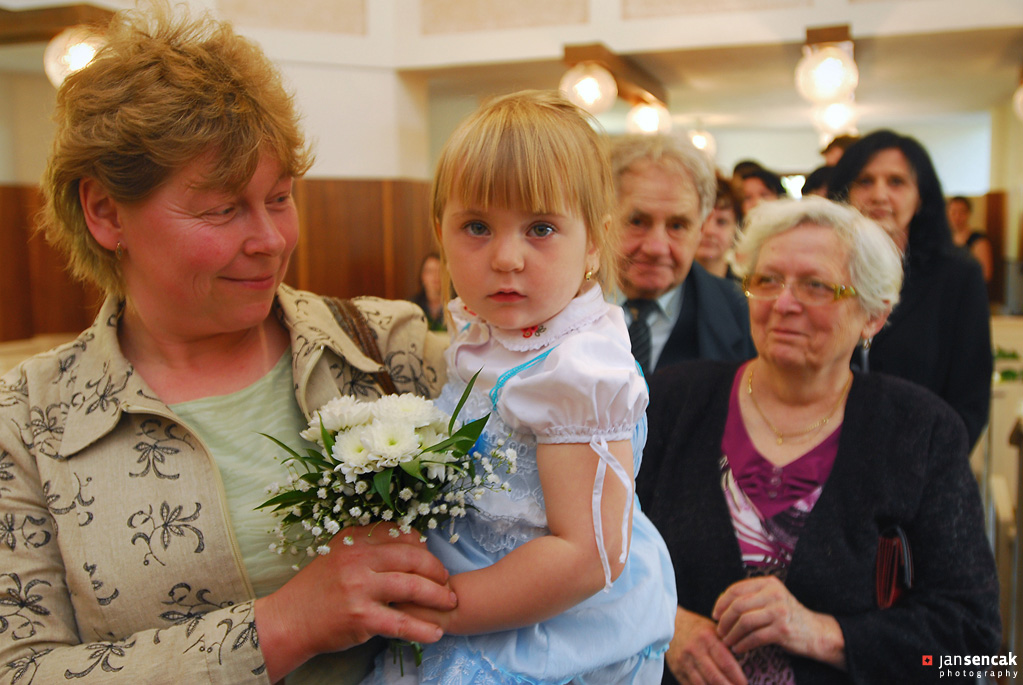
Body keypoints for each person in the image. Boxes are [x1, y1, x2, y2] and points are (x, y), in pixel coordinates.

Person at [0, 5, 457, 684]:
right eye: (222, 209)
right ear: (104, 211)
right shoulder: (28, 422)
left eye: (280, 198)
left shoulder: (385, 346)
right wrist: (283, 625)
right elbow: (21, 668)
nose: (270, 240)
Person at [364, 90, 676, 684]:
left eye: (541, 228)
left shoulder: (579, 369)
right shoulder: (491, 332)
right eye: (477, 227)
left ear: (594, 242)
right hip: (483, 587)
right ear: (440, 233)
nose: (507, 257)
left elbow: (587, 556)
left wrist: (446, 610)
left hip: (545, 627)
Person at [637, 197, 1001, 685]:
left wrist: (825, 635)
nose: (783, 303)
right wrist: (666, 627)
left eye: (816, 286)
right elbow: (598, 563)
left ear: (873, 316)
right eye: (767, 280)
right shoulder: (672, 402)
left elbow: (979, 651)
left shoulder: (922, 431)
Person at [828, 130, 992, 448]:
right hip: (824, 455)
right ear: (843, 194)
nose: (879, 195)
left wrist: (935, 464)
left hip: (921, 456)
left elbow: (970, 397)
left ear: (921, 198)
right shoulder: (819, 271)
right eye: (865, 181)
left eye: (896, 182)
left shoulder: (958, 276)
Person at [612, 134, 756, 380]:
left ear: (701, 229)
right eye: (637, 222)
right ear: (603, 220)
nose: (656, 247)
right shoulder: (556, 303)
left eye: (677, 226)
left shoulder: (744, 315)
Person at [695, 174, 743, 283]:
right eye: (702, 219)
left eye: (721, 222)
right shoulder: (668, 286)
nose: (709, 231)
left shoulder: (744, 289)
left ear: (737, 229)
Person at [948, 195, 994, 283]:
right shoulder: (945, 239)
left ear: (968, 214)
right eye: (953, 212)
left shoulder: (978, 240)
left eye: (961, 212)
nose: (957, 217)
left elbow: (986, 274)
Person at [410, 252, 446, 330]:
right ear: (422, 276)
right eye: (430, 271)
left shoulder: (457, 306)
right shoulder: (412, 306)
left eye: (440, 271)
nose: (435, 275)